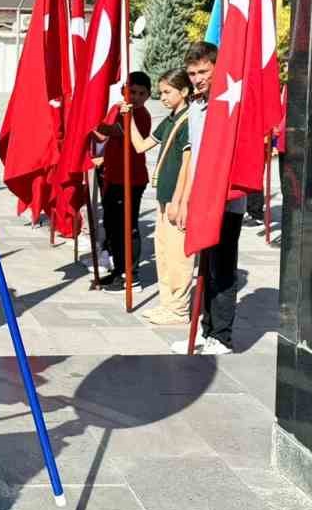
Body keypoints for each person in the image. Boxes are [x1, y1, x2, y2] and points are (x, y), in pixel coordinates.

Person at [165, 41, 246, 355]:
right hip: (201, 198)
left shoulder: (229, 105)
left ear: (217, 68)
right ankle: (205, 329)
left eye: (203, 71)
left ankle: (222, 336)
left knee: (222, 270)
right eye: (192, 73)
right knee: (205, 267)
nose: (197, 78)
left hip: (225, 201)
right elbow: (194, 158)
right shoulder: (197, 107)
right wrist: (184, 199)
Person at [122, 69, 194, 324]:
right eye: (161, 92)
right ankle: (167, 304)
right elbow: (141, 145)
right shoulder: (171, 119)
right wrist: (128, 117)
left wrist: (178, 200)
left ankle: (179, 308)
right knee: (163, 253)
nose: (162, 97)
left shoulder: (189, 120)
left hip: (177, 200)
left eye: (167, 92)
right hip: (163, 199)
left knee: (178, 257)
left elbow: (188, 163)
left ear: (184, 92)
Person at [93, 71, 152, 289]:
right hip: (113, 176)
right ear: (123, 91)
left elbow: (117, 131)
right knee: (112, 226)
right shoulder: (118, 109)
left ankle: (130, 274)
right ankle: (118, 269)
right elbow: (104, 136)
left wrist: (91, 117)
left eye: (140, 93)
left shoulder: (141, 115)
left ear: (147, 96)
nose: (135, 96)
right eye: (131, 91)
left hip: (132, 179)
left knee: (127, 227)